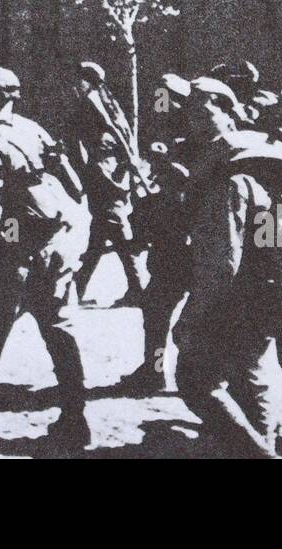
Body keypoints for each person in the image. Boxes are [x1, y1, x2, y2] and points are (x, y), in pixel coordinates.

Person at [0, 66, 92, 450]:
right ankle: (75, 420)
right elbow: (76, 188)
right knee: (60, 334)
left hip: (16, 253)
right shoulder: (34, 130)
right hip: (54, 247)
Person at [172, 76, 282, 458]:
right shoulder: (250, 153)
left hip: (236, 295)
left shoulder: (226, 168)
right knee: (249, 379)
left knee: (194, 378)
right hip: (267, 288)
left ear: (226, 111)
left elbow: (222, 258)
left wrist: (192, 314)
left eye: (201, 108)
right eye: (188, 109)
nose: (191, 117)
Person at [124, 72, 194, 393]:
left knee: (166, 311)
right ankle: (154, 371)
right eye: (158, 96)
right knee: (155, 310)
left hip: (186, 238)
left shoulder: (193, 138)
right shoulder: (166, 132)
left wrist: (167, 165)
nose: (160, 102)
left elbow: (186, 185)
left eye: (165, 97)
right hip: (170, 237)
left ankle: (184, 376)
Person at [64, 61, 145, 305]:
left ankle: (137, 289)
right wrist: (129, 165)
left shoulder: (90, 102)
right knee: (100, 233)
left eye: (79, 79)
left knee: (113, 228)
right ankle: (78, 288)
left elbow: (75, 139)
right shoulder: (107, 101)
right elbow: (123, 135)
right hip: (113, 170)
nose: (75, 84)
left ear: (87, 80)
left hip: (103, 172)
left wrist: (80, 173)